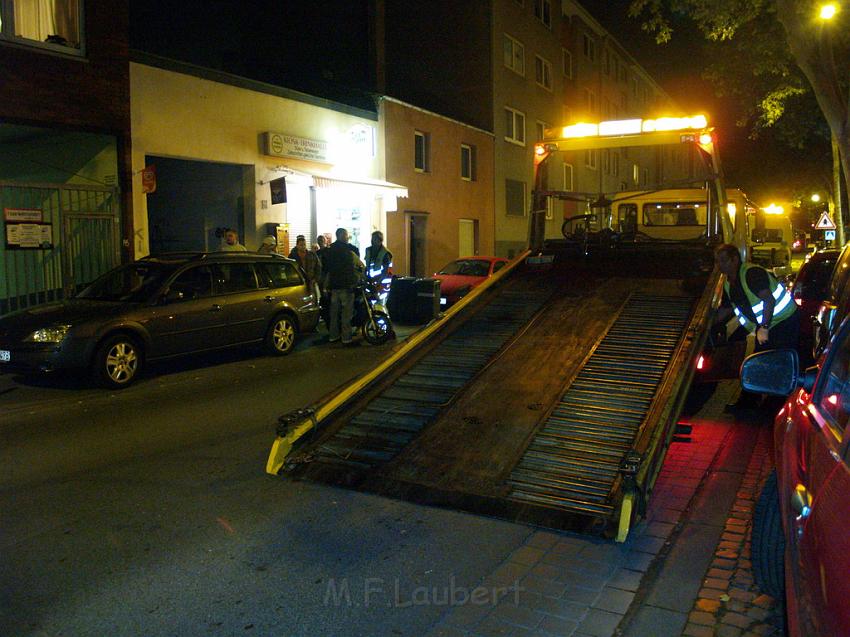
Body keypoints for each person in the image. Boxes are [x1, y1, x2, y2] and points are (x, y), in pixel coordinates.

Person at [713, 243, 799, 410]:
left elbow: (769, 300)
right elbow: (727, 309)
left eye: (723, 261)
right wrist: (707, 323)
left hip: (783, 322)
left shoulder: (751, 274)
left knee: (777, 360)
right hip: (765, 325)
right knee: (758, 360)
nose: (720, 265)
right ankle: (752, 401)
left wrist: (764, 327)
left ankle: (774, 403)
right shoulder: (728, 283)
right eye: (717, 261)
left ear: (735, 259)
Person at [322, 227, 364, 346]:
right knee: (346, 314)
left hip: (334, 287)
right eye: (346, 235)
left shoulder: (330, 250)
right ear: (341, 236)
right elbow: (356, 267)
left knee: (334, 313)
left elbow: (326, 270)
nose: (347, 237)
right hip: (346, 286)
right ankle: (346, 338)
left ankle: (333, 336)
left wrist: (326, 286)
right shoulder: (348, 250)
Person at [288, 234, 322, 299]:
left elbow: (318, 267)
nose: (303, 246)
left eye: (304, 244)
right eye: (301, 245)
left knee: (312, 299)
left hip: (310, 282)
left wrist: (315, 279)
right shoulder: (292, 256)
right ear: (297, 246)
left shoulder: (312, 255)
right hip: (298, 282)